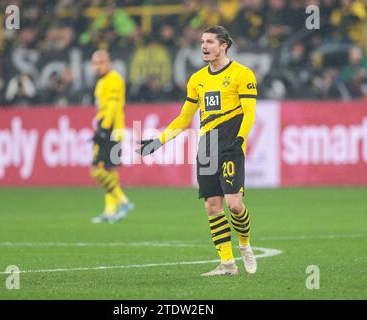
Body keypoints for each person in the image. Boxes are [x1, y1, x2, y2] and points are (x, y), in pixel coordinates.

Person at [136, 26, 258, 276]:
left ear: (223, 45)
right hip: (207, 147)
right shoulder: (197, 79)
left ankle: (244, 244)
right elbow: (184, 118)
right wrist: (158, 141)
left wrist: (240, 138)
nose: (204, 46)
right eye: (202, 41)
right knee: (213, 206)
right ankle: (227, 264)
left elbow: (250, 112)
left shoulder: (242, 74)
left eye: (210, 41)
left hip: (231, 145)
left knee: (235, 205)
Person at [90, 49, 133, 224]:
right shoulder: (101, 82)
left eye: (101, 63)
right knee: (110, 170)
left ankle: (123, 201)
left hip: (111, 130)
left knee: (97, 170)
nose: (98, 67)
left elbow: (114, 106)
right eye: (95, 63)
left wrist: (104, 128)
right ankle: (110, 211)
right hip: (107, 128)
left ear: (109, 63)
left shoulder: (114, 78)